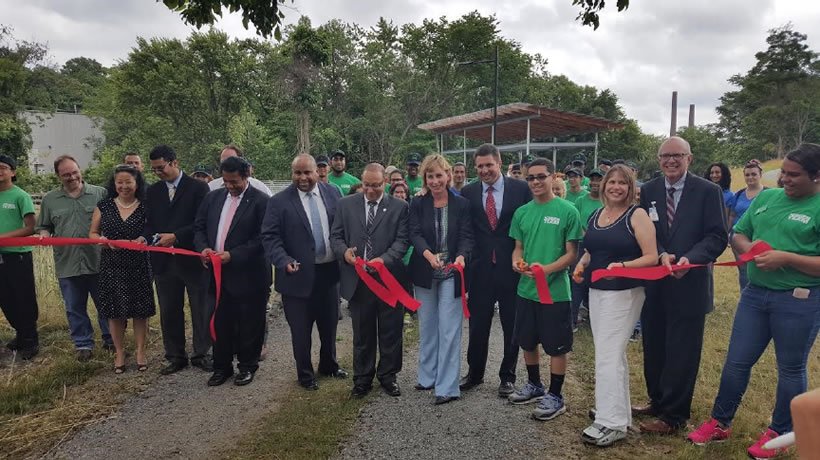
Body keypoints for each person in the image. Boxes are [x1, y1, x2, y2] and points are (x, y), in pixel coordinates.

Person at [687, 144, 820, 459]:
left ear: (817, 176)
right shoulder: (768, 198)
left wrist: (785, 257)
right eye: (783, 172)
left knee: (790, 367)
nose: (784, 179)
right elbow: (738, 232)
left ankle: (782, 431)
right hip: (755, 295)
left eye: (793, 175)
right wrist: (750, 248)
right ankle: (721, 421)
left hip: (799, 300)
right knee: (736, 361)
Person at [634, 136, 728, 434]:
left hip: (690, 283)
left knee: (682, 350)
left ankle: (674, 415)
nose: (670, 161)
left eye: (677, 155)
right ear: (658, 159)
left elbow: (717, 236)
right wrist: (660, 252)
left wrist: (689, 259)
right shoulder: (648, 190)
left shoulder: (708, 191)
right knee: (654, 344)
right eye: (665, 156)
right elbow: (645, 231)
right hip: (656, 283)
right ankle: (657, 400)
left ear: (689, 158)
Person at [572, 165, 658, 446]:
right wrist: (583, 264)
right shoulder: (598, 214)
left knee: (608, 355)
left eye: (623, 183)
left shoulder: (638, 215)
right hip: (597, 291)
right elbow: (591, 249)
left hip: (624, 292)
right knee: (610, 354)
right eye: (612, 182)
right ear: (604, 185)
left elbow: (651, 257)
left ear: (631, 187)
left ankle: (610, 423)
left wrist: (622, 266)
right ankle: (616, 412)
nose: (616, 187)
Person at [261, 154, 347, 391]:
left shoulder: (333, 194)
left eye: (307, 172)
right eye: (297, 173)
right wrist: (283, 260)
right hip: (296, 276)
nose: (302, 178)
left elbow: (340, 228)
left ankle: (329, 365)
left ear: (318, 172)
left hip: (329, 273)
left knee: (329, 325)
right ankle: (305, 373)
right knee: (301, 331)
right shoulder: (278, 202)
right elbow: (270, 237)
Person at [507, 158, 581, 421]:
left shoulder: (568, 210)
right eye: (531, 178)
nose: (536, 182)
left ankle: (556, 395)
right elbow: (518, 246)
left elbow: (572, 254)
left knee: (556, 346)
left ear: (552, 177)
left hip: (556, 293)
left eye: (541, 176)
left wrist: (547, 269)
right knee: (527, 341)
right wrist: (517, 261)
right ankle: (535, 384)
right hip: (526, 290)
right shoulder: (522, 213)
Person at [329, 163, 410, 398]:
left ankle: (388, 376)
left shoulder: (399, 207)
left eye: (376, 185)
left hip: (388, 281)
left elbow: (402, 242)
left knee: (391, 332)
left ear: (385, 182)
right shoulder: (346, 204)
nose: (371, 190)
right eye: (366, 185)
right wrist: (344, 253)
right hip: (358, 281)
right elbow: (335, 236)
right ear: (361, 183)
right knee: (362, 334)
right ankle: (362, 379)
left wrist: (383, 261)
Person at [459, 144, 532, 397]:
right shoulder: (467, 192)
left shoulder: (521, 189)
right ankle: (475, 373)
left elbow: (529, 225)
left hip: (511, 267)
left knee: (512, 324)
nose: (484, 170)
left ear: (499, 163)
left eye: (489, 165)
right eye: (479, 166)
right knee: (478, 325)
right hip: (480, 270)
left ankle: (507, 376)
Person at [194, 156, 270, 386]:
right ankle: (221, 366)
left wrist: (233, 255)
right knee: (220, 323)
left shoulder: (261, 201)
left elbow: (263, 238)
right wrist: (204, 248)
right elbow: (199, 227)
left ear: (246, 176)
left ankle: (247, 366)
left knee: (249, 324)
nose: (230, 186)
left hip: (249, 276)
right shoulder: (213, 198)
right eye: (226, 181)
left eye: (234, 181)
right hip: (217, 276)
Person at [409, 154, 473, 405]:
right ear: (425, 178)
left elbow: (467, 237)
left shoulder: (463, 205)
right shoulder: (417, 203)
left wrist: (461, 257)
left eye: (439, 175)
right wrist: (427, 254)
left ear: (448, 175)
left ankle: (447, 387)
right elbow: (413, 233)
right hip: (425, 271)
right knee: (427, 326)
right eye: (430, 176)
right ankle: (428, 377)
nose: (435, 181)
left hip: (451, 272)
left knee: (449, 328)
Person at [143, 144, 213, 375]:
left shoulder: (198, 189)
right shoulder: (152, 192)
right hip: (164, 262)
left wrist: (177, 237)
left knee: (200, 308)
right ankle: (175, 356)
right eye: (153, 170)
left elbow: (203, 222)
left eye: (161, 167)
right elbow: (149, 222)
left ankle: (202, 353)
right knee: (169, 309)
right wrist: (153, 238)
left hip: (192, 259)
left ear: (174, 162)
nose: (157, 173)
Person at [36, 155, 113, 361]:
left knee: (105, 303)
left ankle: (111, 339)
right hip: (68, 263)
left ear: (80, 170)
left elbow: (113, 221)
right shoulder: (50, 200)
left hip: (98, 261)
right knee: (74, 307)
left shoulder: (100, 194)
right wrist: (43, 236)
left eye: (74, 172)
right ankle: (83, 344)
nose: (72, 177)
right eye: (66, 174)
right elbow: (44, 225)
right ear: (58, 176)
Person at [89, 165, 155, 373]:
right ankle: (119, 352)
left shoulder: (146, 206)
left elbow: (152, 230)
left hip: (138, 265)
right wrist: (101, 240)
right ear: (114, 183)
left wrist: (143, 239)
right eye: (120, 182)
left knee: (140, 311)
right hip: (111, 265)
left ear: (137, 184)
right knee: (114, 312)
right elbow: (92, 232)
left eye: (128, 182)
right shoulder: (104, 205)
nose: (124, 186)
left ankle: (140, 351)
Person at [0, 154, 39, 360]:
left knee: (23, 298)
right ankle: (20, 334)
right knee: (6, 299)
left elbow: (30, 227)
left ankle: (31, 340)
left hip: (19, 256)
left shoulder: (20, 196)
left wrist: (2, 238)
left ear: (12, 172)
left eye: (3, 167)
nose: (0, 171)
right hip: (0, 257)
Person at [571, 168, 605, 329]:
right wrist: (586, 236)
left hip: (602, 246)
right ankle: (572, 319)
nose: (595, 183)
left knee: (597, 280)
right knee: (577, 281)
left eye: (599, 179)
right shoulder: (581, 200)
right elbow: (576, 222)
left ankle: (597, 318)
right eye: (593, 179)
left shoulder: (607, 201)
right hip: (582, 245)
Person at [726, 159, 767, 290]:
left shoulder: (769, 194)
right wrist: (727, 233)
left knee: (761, 268)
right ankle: (746, 294)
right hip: (738, 238)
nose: (750, 177)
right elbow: (732, 215)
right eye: (747, 174)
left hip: (760, 237)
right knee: (743, 269)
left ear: (760, 175)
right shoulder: (737, 195)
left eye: (754, 174)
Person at [208, 145, 272, 196]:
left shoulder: (259, 187)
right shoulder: (211, 187)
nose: (227, 164)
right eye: (223, 161)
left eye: (232, 160)